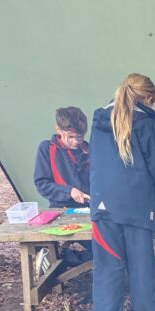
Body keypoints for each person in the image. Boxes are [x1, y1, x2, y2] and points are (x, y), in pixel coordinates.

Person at [89, 73, 155, 311]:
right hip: (139, 206)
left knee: (107, 268)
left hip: (104, 205)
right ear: (148, 98)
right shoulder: (147, 124)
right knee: (142, 267)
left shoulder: (99, 120)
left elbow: (95, 163)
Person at [33, 106, 91, 268]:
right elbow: (42, 184)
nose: (75, 142)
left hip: (90, 211)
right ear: (58, 129)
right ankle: (56, 259)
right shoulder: (47, 149)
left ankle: (60, 259)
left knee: (108, 249)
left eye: (79, 137)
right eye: (70, 137)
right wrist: (69, 191)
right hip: (61, 212)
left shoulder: (89, 150)